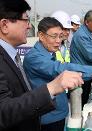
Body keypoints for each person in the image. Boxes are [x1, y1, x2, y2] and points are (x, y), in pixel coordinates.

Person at [23, 17, 92, 131]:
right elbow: (61, 69)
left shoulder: (49, 53)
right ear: (41, 35)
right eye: (54, 36)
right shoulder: (34, 57)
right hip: (48, 119)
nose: (58, 40)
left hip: (58, 113)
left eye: (60, 36)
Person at [0, 0, 83, 131]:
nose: (29, 26)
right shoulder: (31, 57)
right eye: (26, 20)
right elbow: (3, 112)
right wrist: (51, 88)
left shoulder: (12, 55)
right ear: (5, 25)